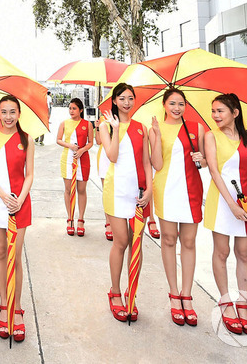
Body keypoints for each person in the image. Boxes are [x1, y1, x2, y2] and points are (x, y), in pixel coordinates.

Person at [203, 93, 247, 335]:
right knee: (222, 251)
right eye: (213, 111)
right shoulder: (211, 136)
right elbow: (215, 172)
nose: (215, 116)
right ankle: (225, 301)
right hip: (222, 202)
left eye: (220, 111)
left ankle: (243, 304)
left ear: (235, 113)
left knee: (244, 253)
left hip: (246, 203)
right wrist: (231, 205)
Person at [149, 88, 206, 326]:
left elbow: (206, 160)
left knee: (189, 242)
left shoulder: (197, 128)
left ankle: (187, 295)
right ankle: (174, 293)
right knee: (169, 240)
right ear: (164, 105)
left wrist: (201, 159)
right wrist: (154, 137)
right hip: (166, 189)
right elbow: (158, 164)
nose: (176, 108)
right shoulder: (156, 128)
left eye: (181, 104)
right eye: (172, 103)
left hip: (191, 189)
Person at [98, 83, 152, 322]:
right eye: (122, 98)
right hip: (116, 190)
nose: (127, 103)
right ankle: (116, 291)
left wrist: (150, 189)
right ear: (115, 100)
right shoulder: (104, 125)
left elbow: (147, 162)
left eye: (131, 98)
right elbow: (112, 156)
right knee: (121, 241)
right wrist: (117, 129)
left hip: (138, 192)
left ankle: (132, 292)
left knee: (137, 244)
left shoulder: (142, 127)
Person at [0, 95, 34, 342]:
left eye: (12, 111)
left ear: (19, 113)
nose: (8, 116)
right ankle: (4, 305)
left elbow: (30, 174)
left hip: (20, 204)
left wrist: (19, 198)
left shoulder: (27, 140)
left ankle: (17, 307)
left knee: (15, 256)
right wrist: (3, 196)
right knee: (1, 253)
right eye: (4, 112)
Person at [56, 97, 93, 236]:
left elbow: (91, 142)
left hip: (83, 159)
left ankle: (81, 220)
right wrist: (70, 146)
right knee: (68, 190)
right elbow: (58, 140)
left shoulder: (87, 124)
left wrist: (82, 150)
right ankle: (70, 218)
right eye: (70, 108)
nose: (71, 111)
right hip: (67, 159)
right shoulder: (64, 123)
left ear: (81, 110)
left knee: (81, 189)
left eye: (74, 108)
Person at [94, 116, 113, 241]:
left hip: (119, 159)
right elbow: (98, 141)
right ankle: (108, 223)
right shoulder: (103, 120)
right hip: (105, 159)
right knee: (107, 193)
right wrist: (97, 127)